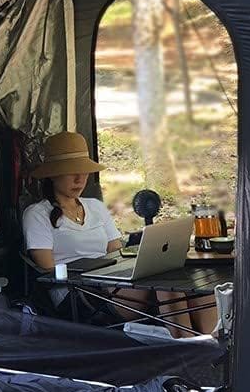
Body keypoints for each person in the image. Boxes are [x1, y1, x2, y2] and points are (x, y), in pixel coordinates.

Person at [22, 131, 216, 336]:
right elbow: (47, 269)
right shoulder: (37, 214)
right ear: (52, 175)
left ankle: (210, 339)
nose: (80, 179)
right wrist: (92, 274)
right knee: (163, 281)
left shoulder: (95, 207)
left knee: (186, 277)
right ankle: (187, 343)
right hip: (75, 291)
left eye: (84, 171)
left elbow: (116, 252)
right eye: (71, 172)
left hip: (109, 281)